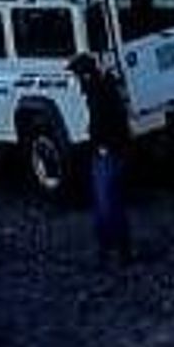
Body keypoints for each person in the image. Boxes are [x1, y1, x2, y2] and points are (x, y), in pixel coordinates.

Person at [69, 51, 132, 264]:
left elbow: (102, 122)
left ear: (84, 74)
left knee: (106, 203)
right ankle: (116, 249)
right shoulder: (106, 87)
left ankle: (111, 249)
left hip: (107, 151)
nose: (77, 80)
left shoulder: (98, 92)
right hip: (112, 149)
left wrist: (102, 144)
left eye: (77, 75)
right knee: (111, 201)